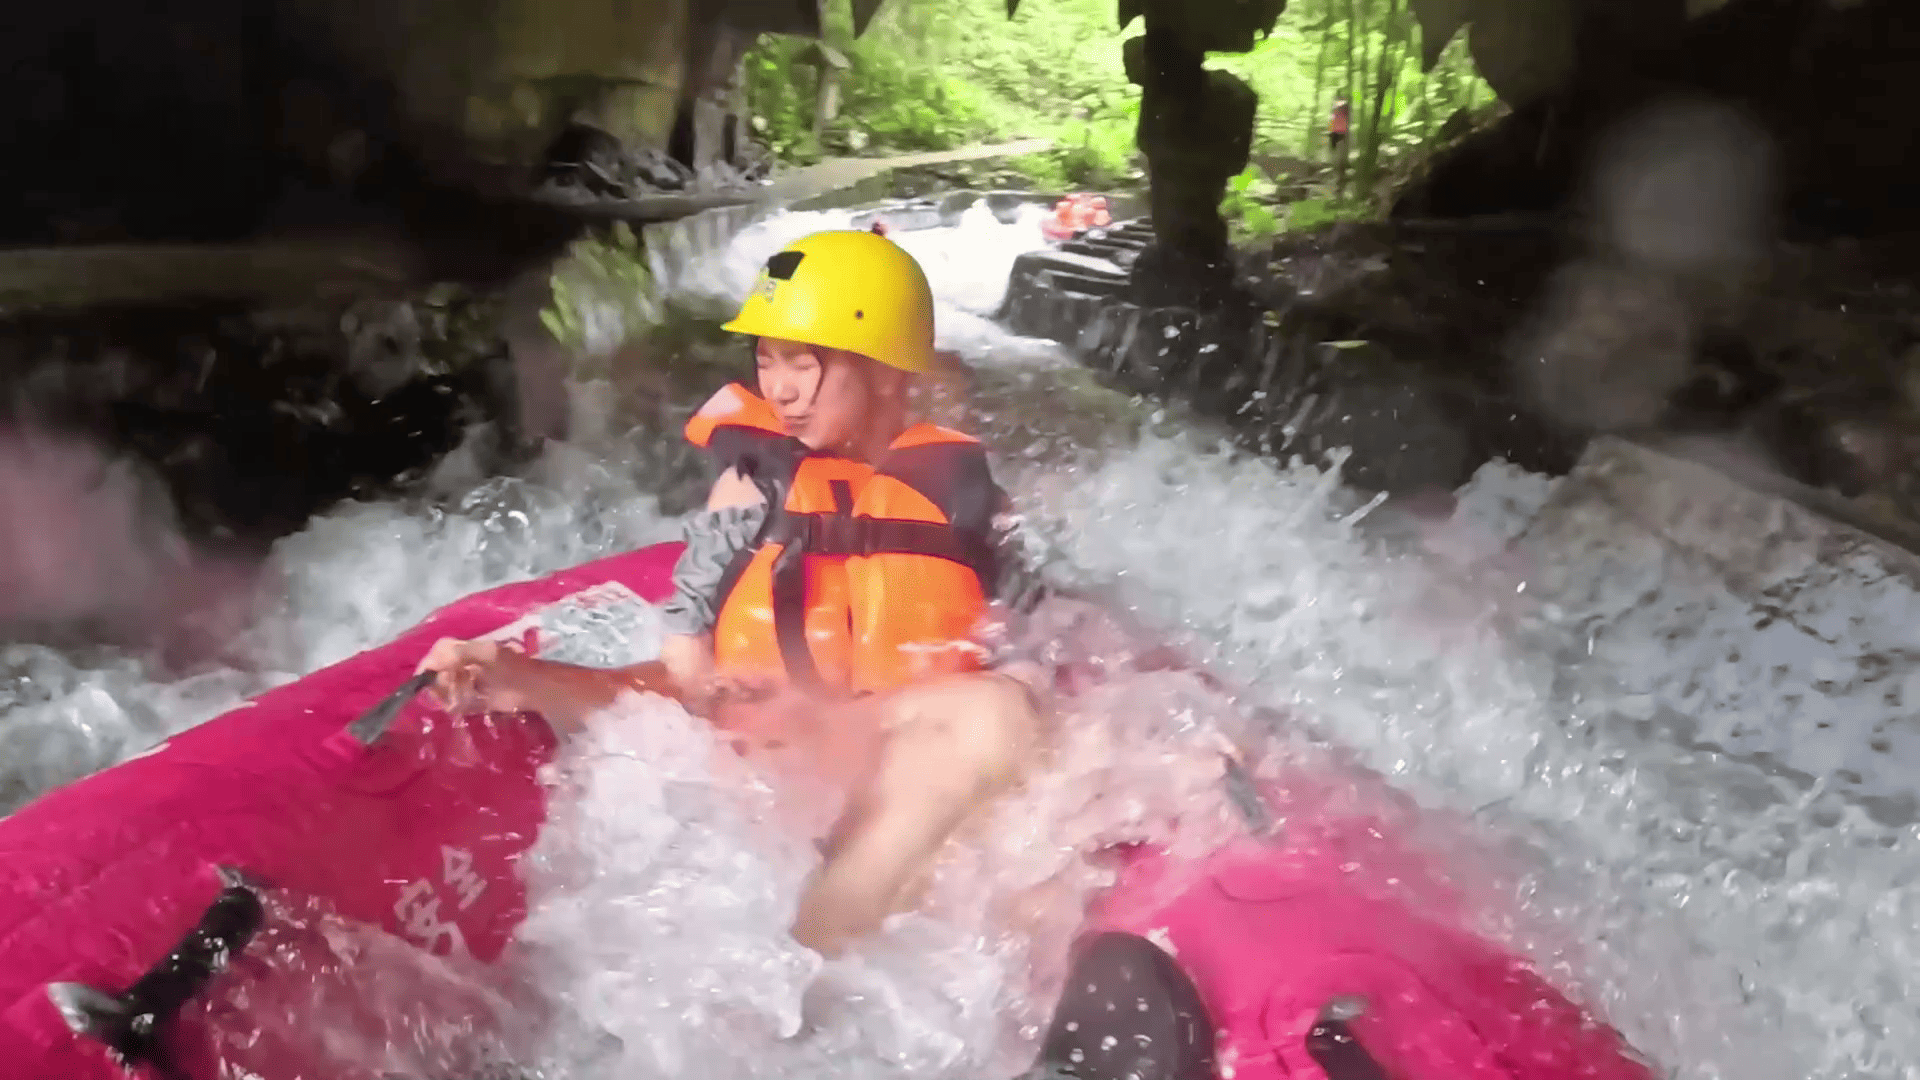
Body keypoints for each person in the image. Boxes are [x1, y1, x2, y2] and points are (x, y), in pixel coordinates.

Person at [416, 227, 1049, 957]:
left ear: (884, 371)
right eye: (767, 359)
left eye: (804, 364)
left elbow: (1038, 648)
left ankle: (828, 932)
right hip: (775, 758)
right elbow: (685, 686)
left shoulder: (966, 503)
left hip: (899, 757)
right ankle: (813, 946)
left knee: (996, 714)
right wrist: (521, 677)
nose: (778, 388)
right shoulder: (747, 494)